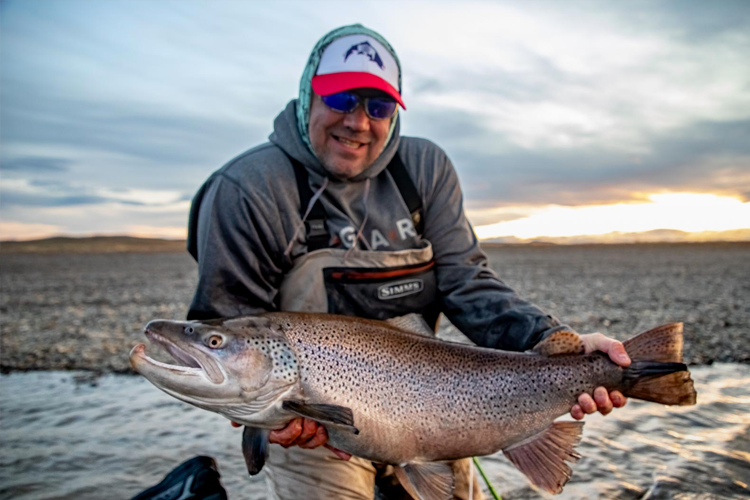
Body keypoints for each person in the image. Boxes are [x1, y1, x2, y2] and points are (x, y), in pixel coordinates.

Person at [135, 23, 630, 500]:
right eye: (341, 97)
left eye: (377, 105)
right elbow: (224, 328)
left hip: (438, 401)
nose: (357, 121)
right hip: (311, 421)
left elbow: (467, 282)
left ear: (395, 111)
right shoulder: (247, 190)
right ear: (309, 93)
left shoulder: (425, 169)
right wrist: (268, 418)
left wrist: (551, 342)